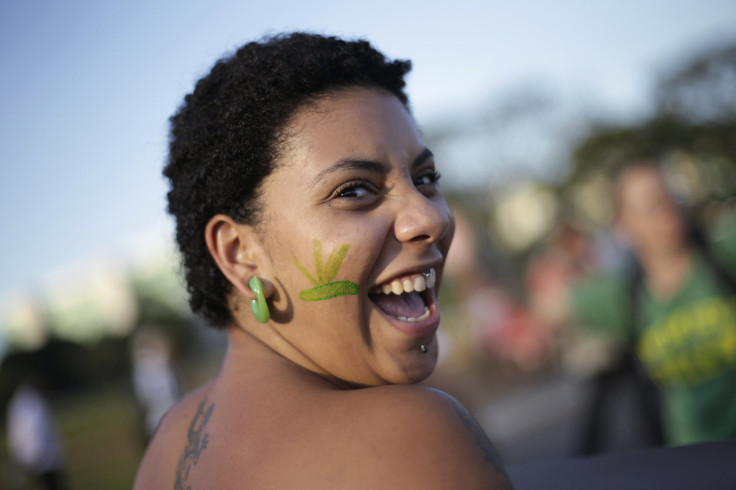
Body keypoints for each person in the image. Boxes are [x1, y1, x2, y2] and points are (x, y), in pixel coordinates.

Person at [133, 33, 511, 489]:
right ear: (241, 254)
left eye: (426, 178)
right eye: (353, 190)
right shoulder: (406, 434)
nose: (430, 217)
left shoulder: (168, 447)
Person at [544, 160, 736, 448]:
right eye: (650, 204)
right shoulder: (626, 295)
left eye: (670, 195)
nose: (666, 208)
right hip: (692, 461)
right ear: (624, 225)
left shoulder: (722, 256)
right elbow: (550, 306)